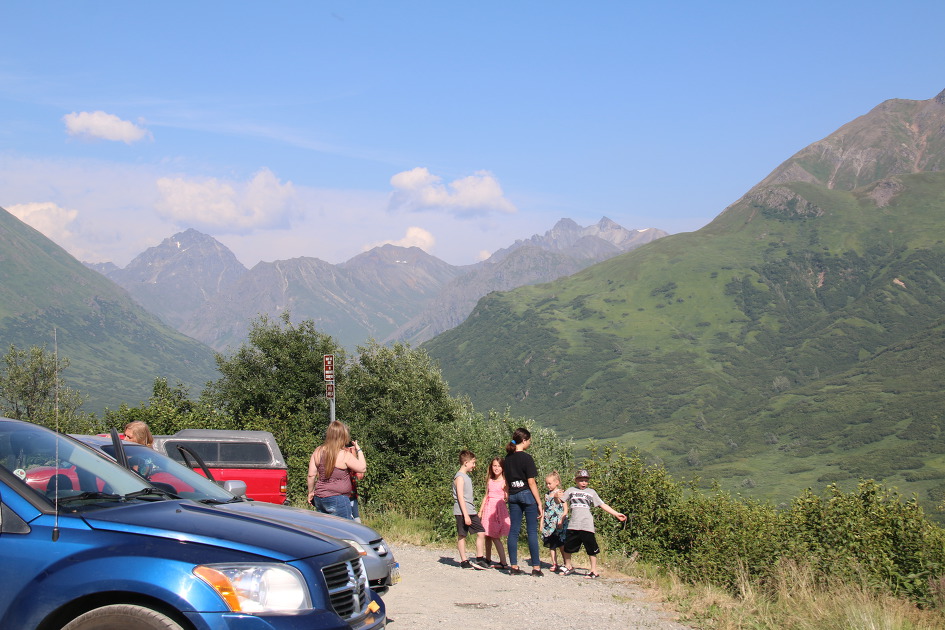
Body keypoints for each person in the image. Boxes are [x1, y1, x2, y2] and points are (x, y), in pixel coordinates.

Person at [560, 469, 627, 579]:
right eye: (581, 480)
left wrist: (616, 514)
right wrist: (556, 496)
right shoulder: (571, 490)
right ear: (576, 480)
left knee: (591, 548)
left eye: (586, 480)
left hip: (587, 525)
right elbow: (560, 501)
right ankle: (568, 566)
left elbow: (602, 504)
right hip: (574, 524)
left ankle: (593, 570)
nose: (583, 483)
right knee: (568, 546)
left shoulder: (591, 492)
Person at [504, 427, 544, 576]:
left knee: (513, 530)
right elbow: (531, 482)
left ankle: (514, 566)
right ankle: (536, 568)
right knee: (531, 531)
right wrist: (539, 502)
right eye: (529, 440)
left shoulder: (507, 459)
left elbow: (507, 481)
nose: (530, 443)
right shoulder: (527, 458)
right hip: (526, 494)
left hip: (513, 495)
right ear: (524, 440)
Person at [307, 420, 366, 519]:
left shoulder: (318, 451)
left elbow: (311, 475)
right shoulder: (344, 455)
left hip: (319, 498)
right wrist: (359, 450)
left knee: (325, 527)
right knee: (344, 527)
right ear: (343, 436)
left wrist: (311, 492)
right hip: (338, 499)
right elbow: (362, 468)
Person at [452, 450, 490, 570]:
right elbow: (460, 497)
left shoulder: (466, 476)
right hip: (462, 511)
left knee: (481, 532)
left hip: (471, 510)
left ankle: (479, 558)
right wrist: (466, 515)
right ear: (466, 463)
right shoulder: (459, 477)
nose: (474, 465)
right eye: (473, 463)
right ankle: (464, 561)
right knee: (462, 535)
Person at [479, 456, 510, 569]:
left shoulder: (504, 482)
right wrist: (481, 510)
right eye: (494, 466)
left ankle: (503, 562)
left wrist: (506, 494)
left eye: (499, 466)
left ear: (503, 468)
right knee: (487, 535)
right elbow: (486, 495)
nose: (496, 468)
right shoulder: (490, 480)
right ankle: (487, 559)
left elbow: (507, 497)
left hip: (498, 511)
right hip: (488, 509)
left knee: (495, 536)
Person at [541, 470, 569, 573]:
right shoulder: (547, 495)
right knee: (552, 544)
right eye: (547, 483)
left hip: (558, 523)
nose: (548, 485)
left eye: (550, 483)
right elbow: (545, 508)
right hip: (549, 523)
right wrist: (541, 522)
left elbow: (565, 509)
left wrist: (561, 520)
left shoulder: (561, 493)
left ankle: (566, 563)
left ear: (556, 482)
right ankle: (554, 563)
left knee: (561, 543)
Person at [345, 443, 365, 522]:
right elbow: (360, 474)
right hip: (346, 496)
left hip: (348, 496)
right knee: (354, 520)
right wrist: (358, 450)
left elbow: (360, 475)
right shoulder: (344, 462)